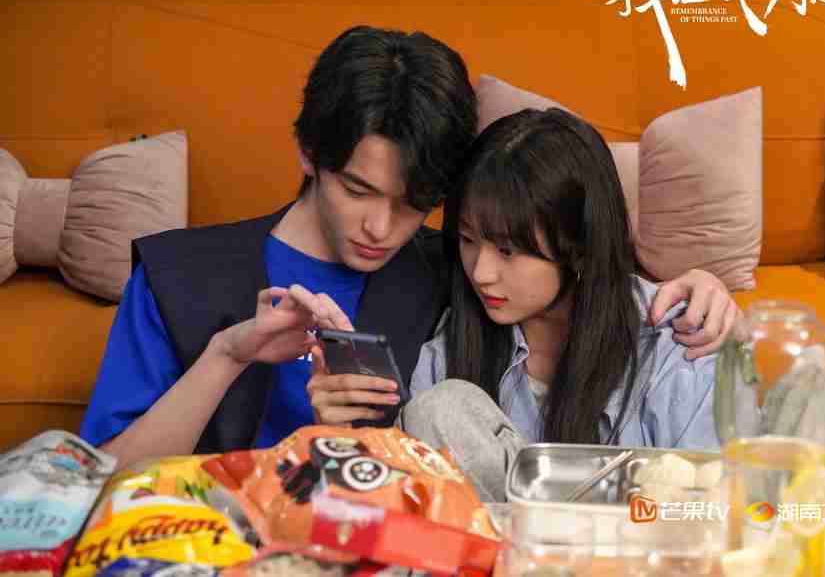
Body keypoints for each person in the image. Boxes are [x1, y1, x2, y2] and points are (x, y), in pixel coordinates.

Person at [80, 26, 739, 470]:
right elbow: (100, 481)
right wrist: (227, 355)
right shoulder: (178, 275)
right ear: (308, 151)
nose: (381, 227)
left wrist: (702, 289)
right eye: (357, 189)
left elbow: (561, 248)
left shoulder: (458, 273)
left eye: (414, 201)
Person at [388, 108, 720, 500]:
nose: (481, 272)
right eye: (468, 240)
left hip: (638, 535)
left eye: (508, 250)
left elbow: (719, 503)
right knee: (440, 410)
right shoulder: (454, 341)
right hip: (487, 538)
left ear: (579, 248)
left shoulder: (675, 344)